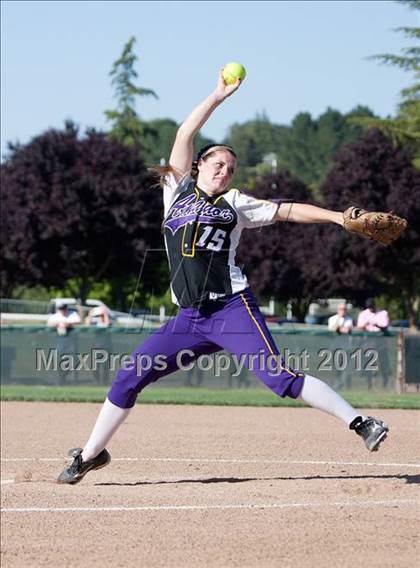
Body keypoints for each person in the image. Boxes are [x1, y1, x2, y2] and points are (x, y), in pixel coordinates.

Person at [58, 70, 389, 484]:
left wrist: (339, 218)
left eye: (231, 168)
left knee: (278, 379)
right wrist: (217, 96)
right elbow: (185, 131)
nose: (224, 171)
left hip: (232, 308)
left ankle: (361, 423)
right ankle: (90, 455)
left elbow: (288, 210)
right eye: (218, 163)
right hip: (189, 319)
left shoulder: (236, 204)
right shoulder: (175, 189)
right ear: (199, 165)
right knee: (131, 375)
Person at [47, 302, 81, 385]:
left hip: (71, 341)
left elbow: (79, 323)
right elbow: (48, 324)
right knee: (60, 361)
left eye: (63, 308)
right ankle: (60, 378)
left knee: (71, 360)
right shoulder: (55, 316)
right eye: (60, 308)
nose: (62, 310)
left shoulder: (72, 314)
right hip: (59, 341)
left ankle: (65, 377)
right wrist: (57, 324)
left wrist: (68, 324)